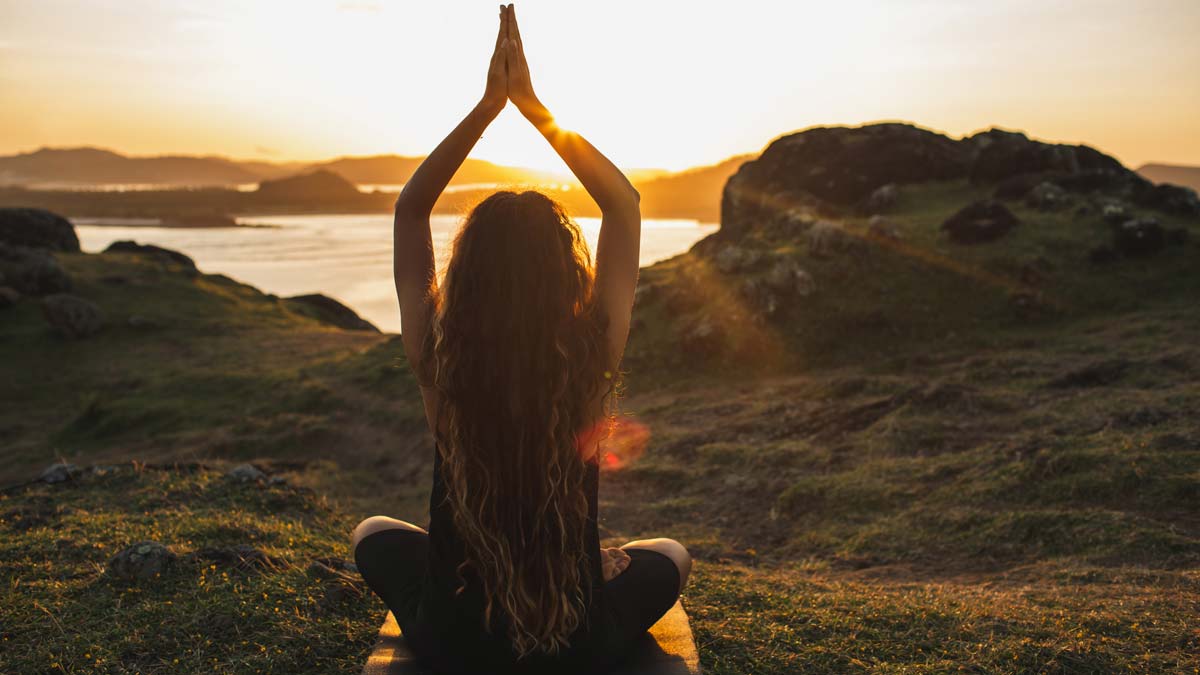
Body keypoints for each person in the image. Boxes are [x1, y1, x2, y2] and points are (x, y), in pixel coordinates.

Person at [350, 5, 691, 673]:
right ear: (564, 271)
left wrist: (488, 107)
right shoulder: (591, 355)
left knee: (372, 534)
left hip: (453, 632)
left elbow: (410, 208)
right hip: (576, 634)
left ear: (468, 275)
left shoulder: (440, 364)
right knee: (671, 553)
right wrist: (535, 110)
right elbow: (624, 203)